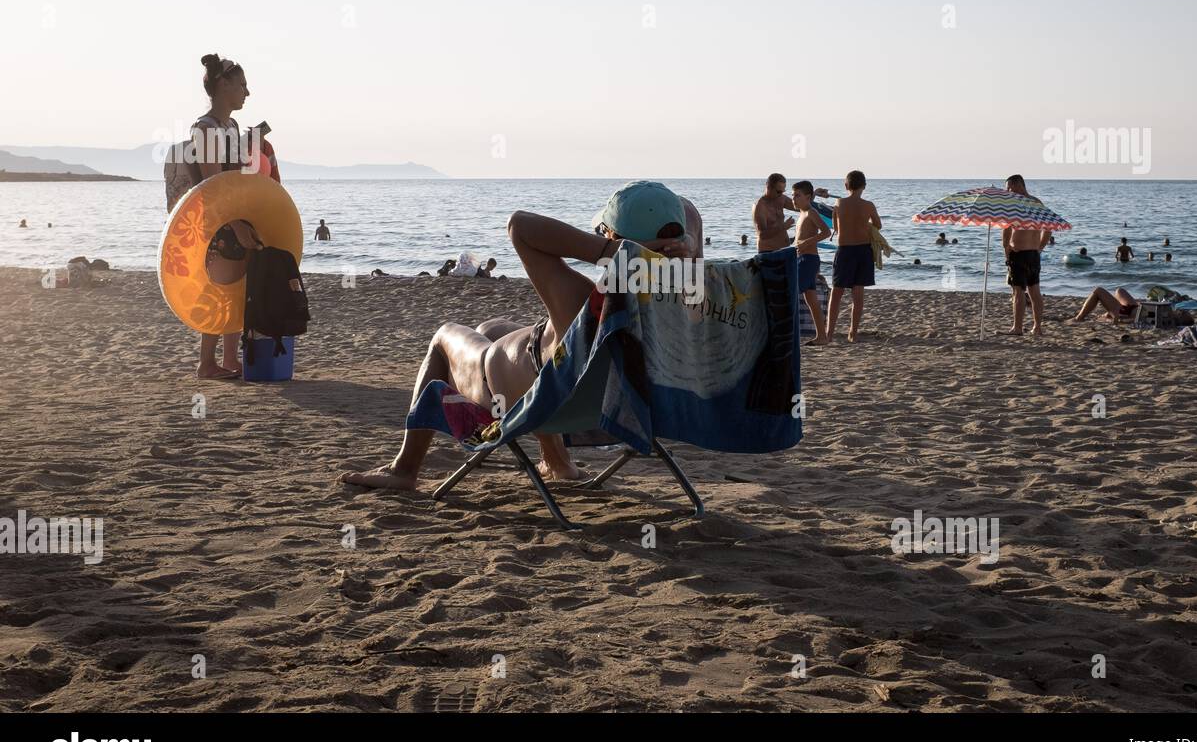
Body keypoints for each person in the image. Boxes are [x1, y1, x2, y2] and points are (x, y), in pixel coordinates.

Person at [340, 181, 696, 490]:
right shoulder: (689, 301)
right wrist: (686, 252)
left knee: (444, 335)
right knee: (492, 328)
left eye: (604, 233)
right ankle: (557, 462)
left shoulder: (582, 301)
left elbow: (519, 225)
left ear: (612, 238)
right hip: (615, 401)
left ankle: (403, 470)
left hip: (528, 395)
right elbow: (690, 214)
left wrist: (610, 253)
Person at [191, 53, 275, 379]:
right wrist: (235, 224)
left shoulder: (230, 126)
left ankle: (229, 359)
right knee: (219, 290)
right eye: (241, 85)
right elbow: (213, 185)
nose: (247, 92)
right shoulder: (206, 128)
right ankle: (206, 363)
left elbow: (235, 170)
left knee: (236, 292)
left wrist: (251, 141)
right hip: (219, 221)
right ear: (223, 85)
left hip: (237, 215)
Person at [826, 170, 880, 343]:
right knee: (858, 295)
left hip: (845, 250)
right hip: (863, 251)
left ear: (846, 186)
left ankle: (828, 334)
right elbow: (878, 225)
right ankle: (852, 333)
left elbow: (836, 228)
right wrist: (864, 223)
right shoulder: (869, 205)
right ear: (864, 186)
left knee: (836, 294)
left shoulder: (838, 203)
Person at [1002, 175, 1050, 336]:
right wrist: (1040, 247)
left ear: (1019, 186)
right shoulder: (1037, 203)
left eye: (1009, 188)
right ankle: (1037, 327)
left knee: (1018, 292)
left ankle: (1017, 327)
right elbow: (1048, 228)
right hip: (1034, 254)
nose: (1007, 191)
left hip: (1019, 253)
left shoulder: (1015, 205)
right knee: (1034, 291)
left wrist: (1006, 248)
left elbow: (1007, 229)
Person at [790, 180, 831, 346]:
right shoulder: (802, 212)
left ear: (807, 197)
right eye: (793, 195)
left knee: (792, 293)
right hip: (802, 258)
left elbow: (826, 232)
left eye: (797, 195)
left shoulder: (811, 212)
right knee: (811, 299)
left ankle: (790, 333)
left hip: (808, 259)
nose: (794, 198)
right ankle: (822, 336)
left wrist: (807, 242)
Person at [752, 173, 829, 252]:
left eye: (783, 191)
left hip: (784, 251)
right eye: (779, 191)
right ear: (768, 187)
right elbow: (762, 235)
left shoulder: (781, 198)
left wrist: (814, 193)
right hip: (769, 253)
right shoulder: (760, 206)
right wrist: (783, 227)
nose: (781, 194)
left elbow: (801, 206)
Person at [1070, 287, 1140, 324]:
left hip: (1129, 314)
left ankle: (1078, 318)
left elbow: (1129, 320)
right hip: (1136, 309)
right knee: (1119, 290)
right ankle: (1111, 312)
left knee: (1098, 290)